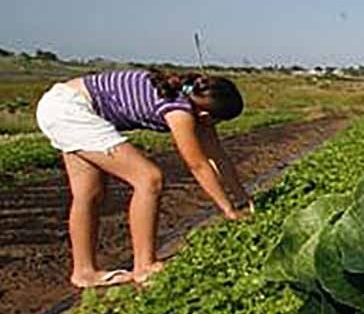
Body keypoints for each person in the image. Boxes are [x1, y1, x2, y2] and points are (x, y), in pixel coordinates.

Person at [35, 69, 252, 288]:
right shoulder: (179, 110)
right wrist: (229, 211)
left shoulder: (189, 99)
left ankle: (84, 272)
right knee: (149, 178)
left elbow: (218, 156)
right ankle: (144, 266)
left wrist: (243, 200)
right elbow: (197, 164)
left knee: (89, 194)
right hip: (71, 110)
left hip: (60, 104)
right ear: (207, 116)